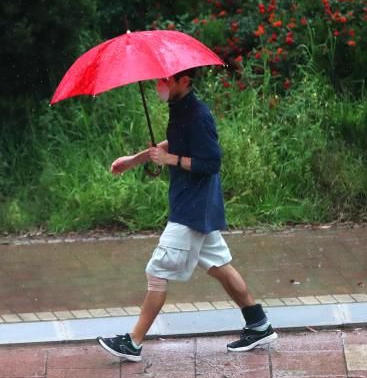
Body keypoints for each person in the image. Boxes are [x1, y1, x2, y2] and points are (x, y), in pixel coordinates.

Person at [97, 67, 276, 362]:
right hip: (193, 205)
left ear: (185, 81)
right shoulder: (179, 108)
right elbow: (173, 145)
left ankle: (133, 342)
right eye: (160, 79)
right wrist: (135, 160)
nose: (160, 85)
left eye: (166, 80)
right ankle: (259, 325)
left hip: (192, 208)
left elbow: (211, 162)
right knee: (220, 266)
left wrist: (171, 160)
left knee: (157, 271)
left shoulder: (198, 114)